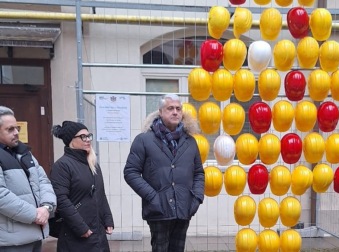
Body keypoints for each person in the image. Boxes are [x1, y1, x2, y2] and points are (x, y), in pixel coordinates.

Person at [124, 94, 205, 252]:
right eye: (170, 108)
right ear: (160, 112)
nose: (175, 112)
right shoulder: (144, 140)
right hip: (158, 209)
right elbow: (131, 172)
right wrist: (153, 197)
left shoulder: (190, 142)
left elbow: (198, 173)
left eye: (178, 109)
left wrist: (196, 198)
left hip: (183, 209)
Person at [50, 121, 114, 252]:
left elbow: (100, 194)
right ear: (71, 141)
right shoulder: (62, 166)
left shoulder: (93, 164)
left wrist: (107, 219)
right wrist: (81, 228)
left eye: (88, 136)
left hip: (98, 234)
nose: (87, 140)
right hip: (76, 235)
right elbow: (61, 200)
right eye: (82, 137)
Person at [0, 105, 56, 252]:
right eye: (10, 129)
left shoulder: (24, 153)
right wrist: (34, 215)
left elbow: (44, 181)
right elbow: (1, 196)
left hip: (35, 234)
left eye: (17, 127)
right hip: (10, 242)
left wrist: (46, 207)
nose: (16, 132)